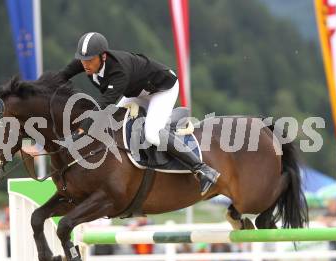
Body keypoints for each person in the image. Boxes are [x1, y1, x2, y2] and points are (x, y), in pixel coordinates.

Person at [58, 32, 220, 195]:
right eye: (83, 59)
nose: (85, 64)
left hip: (162, 89)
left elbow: (104, 104)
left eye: (90, 60)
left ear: (103, 56)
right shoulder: (86, 62)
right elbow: (61, 76)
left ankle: (203, 169)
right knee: (112, 125)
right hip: (137, 92)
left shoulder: (118, 71)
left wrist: (80, 131)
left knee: (152, 134)